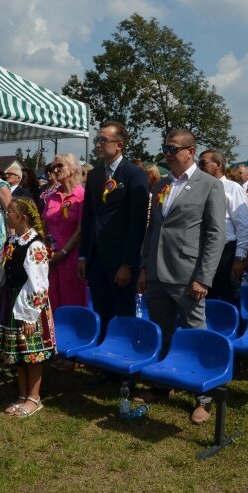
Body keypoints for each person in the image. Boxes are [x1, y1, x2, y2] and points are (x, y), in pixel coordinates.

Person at [135, 128, 226, 424]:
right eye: (165, 148)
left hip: (188, 275)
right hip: (158, 272)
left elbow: (215, 235)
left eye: (173, 149)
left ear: (191, 151)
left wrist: (204, 278)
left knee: (195, 333)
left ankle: (205, 397)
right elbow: (152, 229)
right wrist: (145, 268)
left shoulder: (209, 185)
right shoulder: (160, 184)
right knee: (162, 330)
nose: (167, 154)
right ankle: (163, 384)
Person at [78, 121, 149, 341]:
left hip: (120, 258)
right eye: (96, 140)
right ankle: (104, 355)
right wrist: (83, 255)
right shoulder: (96, 174)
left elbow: (137, 223)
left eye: (102, 140)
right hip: (96, 256)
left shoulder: (134, 174)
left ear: (119, 145)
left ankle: (125, 360)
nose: (97, 144)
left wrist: (128, 264)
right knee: (101, 309)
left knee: (124, 311)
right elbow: (88, 217)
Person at [0, 198, 56, 417]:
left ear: (22, 218)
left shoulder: (35, 244)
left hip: (27, 302)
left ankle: (34, 397)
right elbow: (1, 269)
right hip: (11, 298)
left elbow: (38, 283)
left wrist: (29, 316)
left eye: (10, 212)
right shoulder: (13, 240)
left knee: (31, 352)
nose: (6, 215)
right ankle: (21, 394)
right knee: (18, 349)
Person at [198, 149, 248, 305]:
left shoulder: (232, 188)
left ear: (218, 164)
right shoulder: (199, 187)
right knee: (205, 296)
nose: (199, 166)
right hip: (203, 249)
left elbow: (243, 225)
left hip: (225, 252)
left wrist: (240, 257)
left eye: (203, 162)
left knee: (226, 298)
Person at [43, 153, 87, 309]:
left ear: (73, 168)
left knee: (71, 302)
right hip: (50, 256)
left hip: (72, 256)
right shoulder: (51, 197)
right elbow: (45, 226)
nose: (55, 169)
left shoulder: (82, 196)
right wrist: (45, 251)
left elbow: (82, 229)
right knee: (51, 301)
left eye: (60, 165)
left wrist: (63, 254)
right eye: (54, 166)